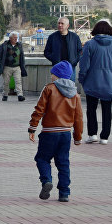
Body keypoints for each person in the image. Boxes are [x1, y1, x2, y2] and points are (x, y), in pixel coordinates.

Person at [28, 61, 82, 202]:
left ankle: (46, 180)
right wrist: (77, 137)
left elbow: (39, 109)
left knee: (42, 158)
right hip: (65, 133)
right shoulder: (75, 93)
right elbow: (78, 117)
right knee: (63, 163)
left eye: (52, 73)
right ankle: (64, 193)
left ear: (57, 75)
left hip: (49, 132)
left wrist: (32, 127)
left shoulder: (49, 89)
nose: (51, 76)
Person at [78, 20, 112, 144]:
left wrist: (82, 79)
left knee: (91, 109)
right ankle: (104, 137)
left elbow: (84, 65)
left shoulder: (90, 45)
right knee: (107, 109)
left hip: (93, 82)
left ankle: (92, 134)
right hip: (111, 82)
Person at [0, 32, 28, 102]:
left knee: (18, 81)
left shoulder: (19, 45)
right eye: (14, 38)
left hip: (17, 67)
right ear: (10, 38)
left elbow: (22, 56)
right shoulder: (4, 45)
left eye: (16, 38)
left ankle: (20, 95)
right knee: (6, 82)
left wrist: (23, 65)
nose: (16, 39)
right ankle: (5, 95)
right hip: (7, 67)